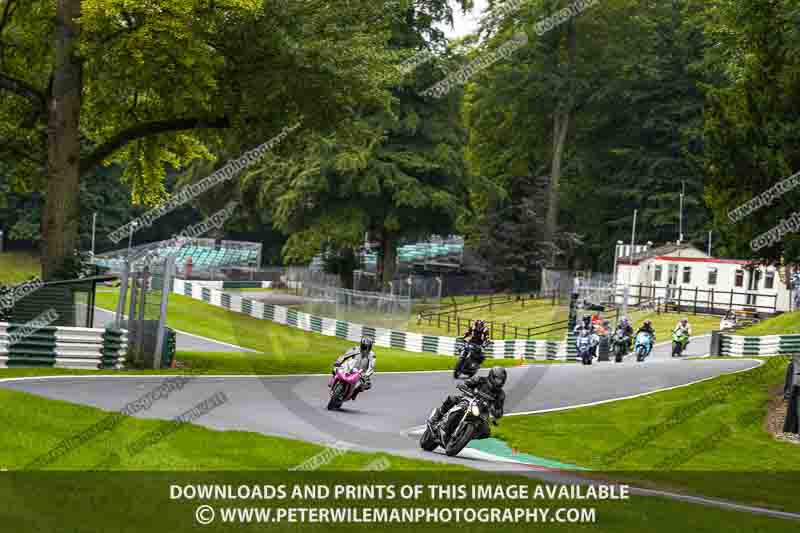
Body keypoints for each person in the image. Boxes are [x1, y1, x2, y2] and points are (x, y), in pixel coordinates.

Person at [429, 366, 507, 437]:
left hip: (482, 412)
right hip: (468, 400)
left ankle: (466, 436)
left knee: (486, 432)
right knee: (452, 399)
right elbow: (466, 383)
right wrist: (463, 386)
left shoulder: (500, 394)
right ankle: (436, 417)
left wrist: (496, 412)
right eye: (497, 379)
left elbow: (499, 410)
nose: (499, 382)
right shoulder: (480, 380)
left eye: (501, 380)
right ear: (492, 376)